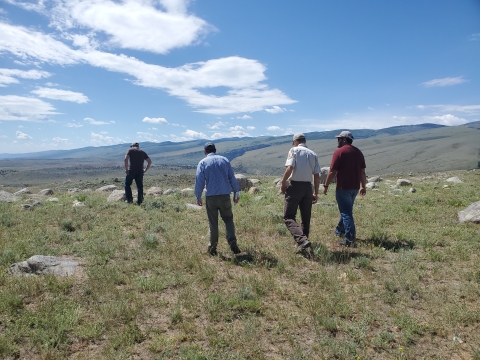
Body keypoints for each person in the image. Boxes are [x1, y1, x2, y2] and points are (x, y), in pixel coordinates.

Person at [194, 142, 242, 256]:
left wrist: (198, 196)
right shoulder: (224, 160)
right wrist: (236, 192)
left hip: (211, 197)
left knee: (213, 223)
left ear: (205, 152)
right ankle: (233, 243)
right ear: (215, 150)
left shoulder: (202, 162)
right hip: (225, 195)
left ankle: (212, 248)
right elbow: (232, 177)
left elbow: (199, 181)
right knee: (228, 219)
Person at [323, 131, 366, 246]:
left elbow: (332, 171)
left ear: (344, 140)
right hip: (355, 188)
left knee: (346, 213)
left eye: (339, 139)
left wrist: (326, 185)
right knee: (346, 210)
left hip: (343, 187)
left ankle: (350, 240)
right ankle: (339, 231)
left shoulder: (339, 152)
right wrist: (363, 186)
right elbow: (362, 172)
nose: (337, 141)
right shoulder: (358, 152)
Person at [280, 133, 321, 253]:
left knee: (288, 216)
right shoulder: (313, 154)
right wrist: (316, 193)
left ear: (296, 141)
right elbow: (317, 175)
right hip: (308, 187)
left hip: (295, 186)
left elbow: (289, 168)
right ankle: (303, 244)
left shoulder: (294, 150)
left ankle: (302, 240)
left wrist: (283, 182)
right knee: (306, 217)